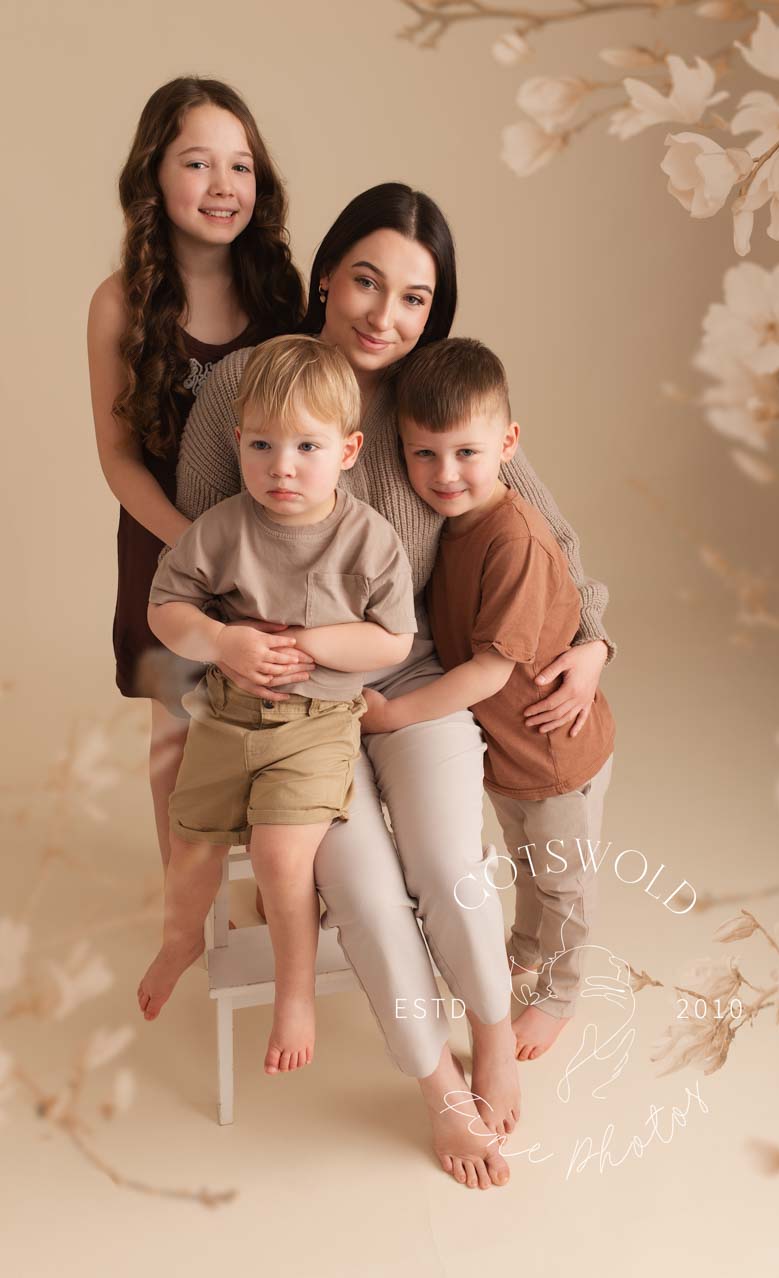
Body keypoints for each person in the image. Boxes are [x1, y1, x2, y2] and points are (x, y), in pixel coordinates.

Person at [176, 183, 615, 1191]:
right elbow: (200, 551)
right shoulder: (246, 383)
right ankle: (437, 1091)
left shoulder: (434, 397)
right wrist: (229, 648)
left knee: (449, 862)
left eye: (414, 297)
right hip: (290, 701)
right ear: (325, 275)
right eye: (366, 281)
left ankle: (491, 1033)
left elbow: (542, 530)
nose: (384, 314)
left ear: (433, 312)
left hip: (414, 673)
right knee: (369, 894)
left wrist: (593, 640)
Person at [138, 335, 417, 1074]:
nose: (282, 466)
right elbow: (165, 608)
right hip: (228, 717)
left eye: (306, 446)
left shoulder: (369, 540)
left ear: (348, 450)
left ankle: (295, 990)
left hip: (316, 727)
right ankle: (181, 937)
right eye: (262, 444)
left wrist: (321, 643)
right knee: (191, 841)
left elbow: (393, 641)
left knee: (277, 854)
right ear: (237, 444)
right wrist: (221, 640)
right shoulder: (224, 528)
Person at [359, 338, 616, 1062]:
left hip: (553, 748)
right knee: (529, 862)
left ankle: (561, 993)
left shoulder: (514, 540)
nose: (445, 476)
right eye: (423, 455)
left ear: (507, 444)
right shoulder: (456, 525)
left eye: (466, 453)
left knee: (563, 881)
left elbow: (489, 671)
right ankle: (528, 948)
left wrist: (399, 714)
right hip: (509, 751)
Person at [87, 77, 305, 876]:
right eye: (197, 163)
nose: (223, 187)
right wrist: (196, 546)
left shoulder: (283, 295)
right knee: (176, 726)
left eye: (241, 166)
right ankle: (187, 902)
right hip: (163, 545)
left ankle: (276, 884)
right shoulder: (119, 303)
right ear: (153, 176)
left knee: (268, 713)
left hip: (274, 544)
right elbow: (117, 459)